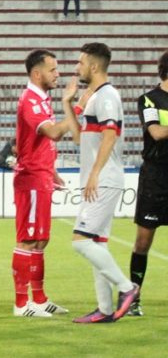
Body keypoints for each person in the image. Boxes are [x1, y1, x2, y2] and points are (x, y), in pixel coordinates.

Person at [68, 43, 140, 323]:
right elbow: (78, 138)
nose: (77, 67)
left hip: (104, 179)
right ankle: (105, 309)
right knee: (98, 243)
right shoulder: (95, 97)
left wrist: (96, 172)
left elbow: (111, 134)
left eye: (81, 62)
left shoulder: (108, 95)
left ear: (94, 66)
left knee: (80, 241)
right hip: (99, 178)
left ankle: (126, 288)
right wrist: (68, 104)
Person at [10, 49, 78, 317]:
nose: (57, 74)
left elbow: (39, 142)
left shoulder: (41, 99)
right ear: (37, 73)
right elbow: (53, 133)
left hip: (41, 176)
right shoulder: (30, 100)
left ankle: (38, 299)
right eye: (53, 70)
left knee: (41, 240)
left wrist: (52, 171)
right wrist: (74, 107)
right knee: (28, 239)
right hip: (30, 178)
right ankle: (20, 304)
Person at [129, 50, 168, 317]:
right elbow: (156, 132)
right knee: (143, 243)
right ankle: (134, 299)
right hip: (156, 177)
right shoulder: (149, 99)